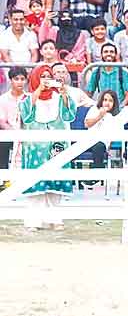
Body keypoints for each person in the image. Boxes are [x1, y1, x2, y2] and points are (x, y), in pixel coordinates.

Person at [19, 64, 77, 231]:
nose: (45, 79)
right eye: (42, 76)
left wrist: (65, 95)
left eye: (48, 75)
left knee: (55, 185)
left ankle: (55, 219)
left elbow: (69, 115)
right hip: (35, 147)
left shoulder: (59, 97)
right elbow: (27, 116)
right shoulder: (28, 98)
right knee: (36, 185)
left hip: (56, 146)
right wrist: (38, 90)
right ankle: (34, 222)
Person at [83, 89, 119, 174]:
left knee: (98, 146)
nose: (107, 103)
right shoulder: (94, 109)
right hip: (88, 141)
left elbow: (116, 134)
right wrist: (99, 116)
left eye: (110, 101)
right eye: (105, 100)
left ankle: (95, 175)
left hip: (102, 143)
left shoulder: (116, 116)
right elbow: (87, 124)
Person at [0, 68, 28, 172]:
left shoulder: (29, 98)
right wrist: (15, 133)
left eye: (22, 79)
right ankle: (2, 179)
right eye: (16, 79)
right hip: (9, 133)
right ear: (11, 80)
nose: (20, 82)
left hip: (28, 133)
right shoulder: (3, 99)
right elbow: (2, 122)